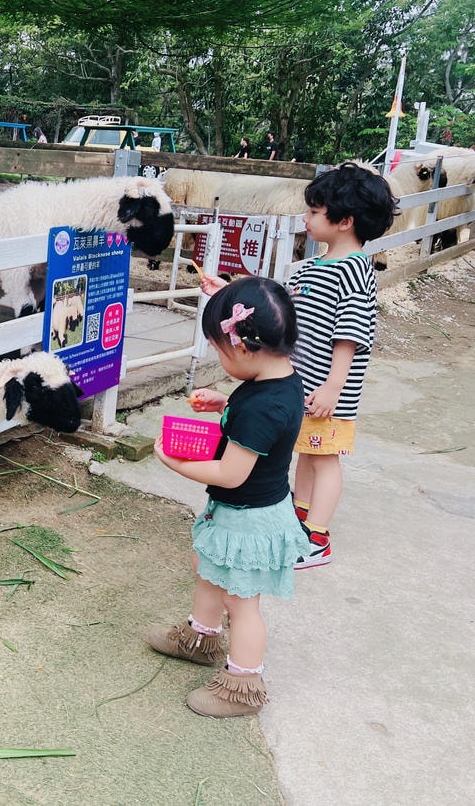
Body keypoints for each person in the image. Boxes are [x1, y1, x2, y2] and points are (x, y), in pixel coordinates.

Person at [202, 163, 397, 569]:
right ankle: (300, 518)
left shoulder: (354, 271)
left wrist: (333, 387)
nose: (305, 218)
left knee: (323, 459)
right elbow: (279, 311)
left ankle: (317, 538)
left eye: (314, 211)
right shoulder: (312, 267)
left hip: (327, 391)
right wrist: (231, 292)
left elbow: (350, 334)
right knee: (306, 453)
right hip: (301, 387)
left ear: (344, 221)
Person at [147, 276, 310, 717]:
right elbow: (260, 424)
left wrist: (175, 463)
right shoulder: (279, 380)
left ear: (244, 348)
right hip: (245, 509)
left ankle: (242, 686)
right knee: (209, 571)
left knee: (242, 603)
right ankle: (200, 638)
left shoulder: (262, 406)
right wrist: (224, 404)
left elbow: (231, 473)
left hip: (249, 516)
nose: (218, 359)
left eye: (219, 351)